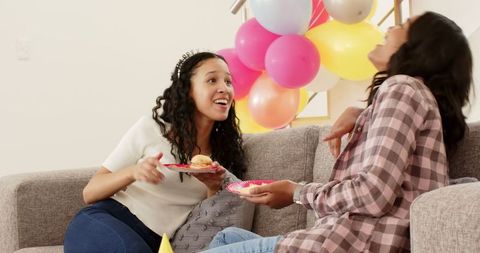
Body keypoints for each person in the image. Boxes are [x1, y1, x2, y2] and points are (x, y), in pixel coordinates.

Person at [203, 11, 473, 253]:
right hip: (342, 240)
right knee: (227, 237)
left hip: (350, 244)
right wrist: (362, 115)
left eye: (402, 25)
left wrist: (296, 192)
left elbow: (374, 194)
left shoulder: (401, 88)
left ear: (420, 48)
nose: (390, 29)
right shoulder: (413, 99)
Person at [64, 51, 247, 253]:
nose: (224, 88)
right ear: (188, 91)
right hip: (109, 219)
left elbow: (205, 217)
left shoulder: (223, 154)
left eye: (228, 82)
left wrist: (212, 188)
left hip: (158, 243)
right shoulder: (151, 130)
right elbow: (90, 192)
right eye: (212, 80)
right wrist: (134, 172)